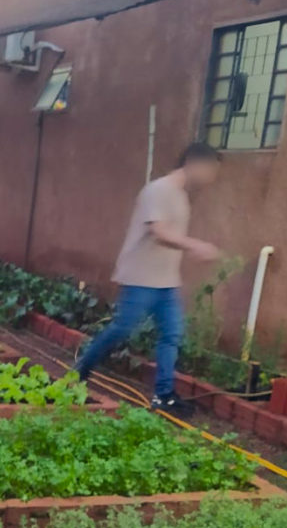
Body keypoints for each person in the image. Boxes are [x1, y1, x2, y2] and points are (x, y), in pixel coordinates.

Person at [73, 142, 223, 414]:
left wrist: (188, 248)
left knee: (172, 335)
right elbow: (158, 231)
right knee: (121, 329)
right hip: (140, 277)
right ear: (193, 163)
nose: (211, 178)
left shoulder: (181, 196)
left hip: (166, 281)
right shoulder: (158, 190)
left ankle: (164, 396)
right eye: (210, 170)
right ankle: (79, 373)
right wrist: (195, 245)